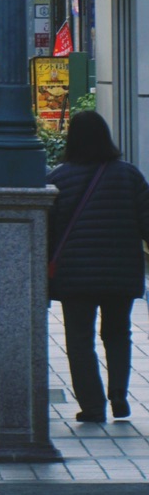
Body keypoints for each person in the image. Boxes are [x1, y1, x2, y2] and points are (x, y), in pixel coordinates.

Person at [48, 110, 149, 424]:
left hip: (75, 274)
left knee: (80, 338)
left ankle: (92, 406)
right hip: (121, 271)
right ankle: (118, 392)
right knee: (118, 333)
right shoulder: (129, 175)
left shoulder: (57, 178)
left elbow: (48, 231)